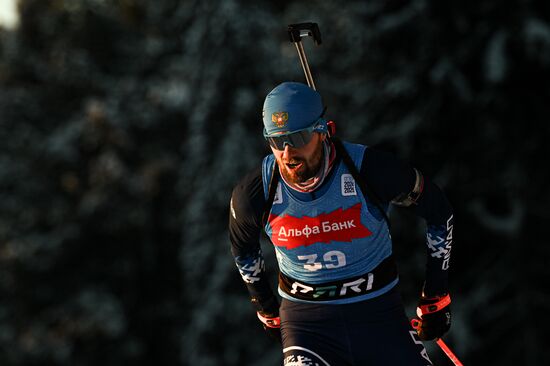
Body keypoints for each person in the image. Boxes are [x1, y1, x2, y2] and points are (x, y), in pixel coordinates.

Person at [229, 82, 454, 365]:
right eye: (276, 141)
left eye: (297, 138)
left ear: (322, 130)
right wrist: (266, 309)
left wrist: (436, 294)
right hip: (308, 326)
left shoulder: (369, 170)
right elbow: (243, 249)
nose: (287, 154)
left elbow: (438, 210)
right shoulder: (255, 192)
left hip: (379, 315)